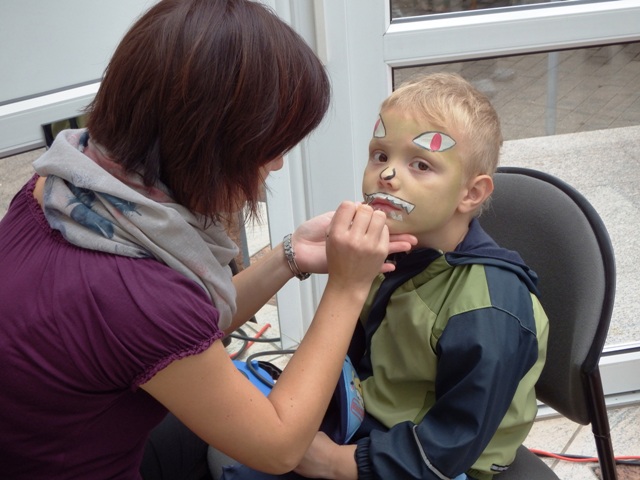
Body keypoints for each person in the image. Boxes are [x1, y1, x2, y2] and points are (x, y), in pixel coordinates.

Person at [0, 1, 417, 478]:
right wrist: (347, 286)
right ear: (209, 143)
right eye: (268, 145)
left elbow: (178, 329)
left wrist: (289, 256)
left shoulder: (64, 187)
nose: (277, 163)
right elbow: (278, 446)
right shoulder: (132, 291)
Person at [221, 73, 550, 480]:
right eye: (380, 155)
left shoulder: (489, 308)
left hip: (435, 463)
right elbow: (349, 360)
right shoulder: (385, 253)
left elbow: (452, 444)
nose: (388, 175)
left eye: (420, 164)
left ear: (471, 193)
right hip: (371, 423)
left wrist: (335, 462)